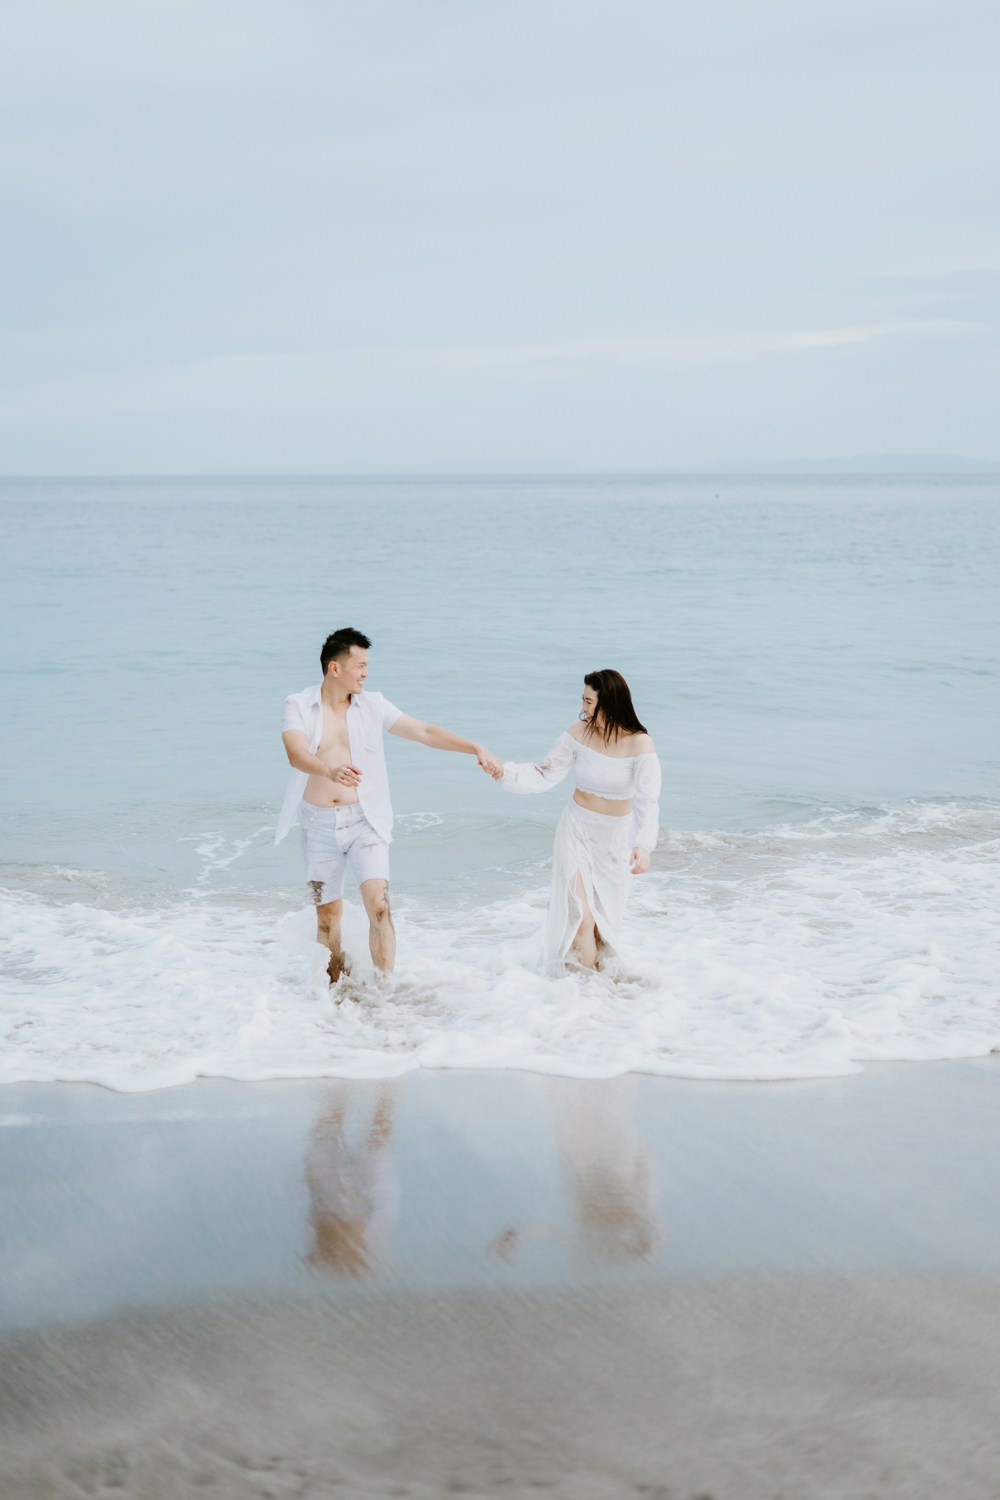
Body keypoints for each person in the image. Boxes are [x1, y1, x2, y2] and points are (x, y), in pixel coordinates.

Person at [277, 627, 501, 983]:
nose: (366, 672)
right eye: (360, 665)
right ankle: (334, 990)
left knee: (380, 907)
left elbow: (424, 732)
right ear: (336, 668)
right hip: (318, 823)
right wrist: (329, 769)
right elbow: (296, 754)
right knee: (327, 917)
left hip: (365, 821)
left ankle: (385, 993)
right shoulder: (298, 705)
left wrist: (475, 747)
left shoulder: (373, 705)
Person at [490, 669, 660, 974]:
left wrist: (643, 846)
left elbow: (648, 801)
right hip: (577, 829)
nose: (583, 707)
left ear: (609, 702)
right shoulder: (577, 733)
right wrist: (504, 772)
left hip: (613, 839)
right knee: (581, 916)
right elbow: (544, 772)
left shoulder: (640, 745)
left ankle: (598, 987)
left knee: (602, 925)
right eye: (582, 700)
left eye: (589, 701)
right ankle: (584, 993)